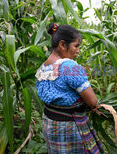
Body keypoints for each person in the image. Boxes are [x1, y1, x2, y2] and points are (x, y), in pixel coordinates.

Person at [35, 23, 104, 154]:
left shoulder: (44, 67)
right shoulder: (69, 67)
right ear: (62, 45)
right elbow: (93, 102)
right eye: (76, 46)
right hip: (68, 128)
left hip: (50, 124)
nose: (78, 50)